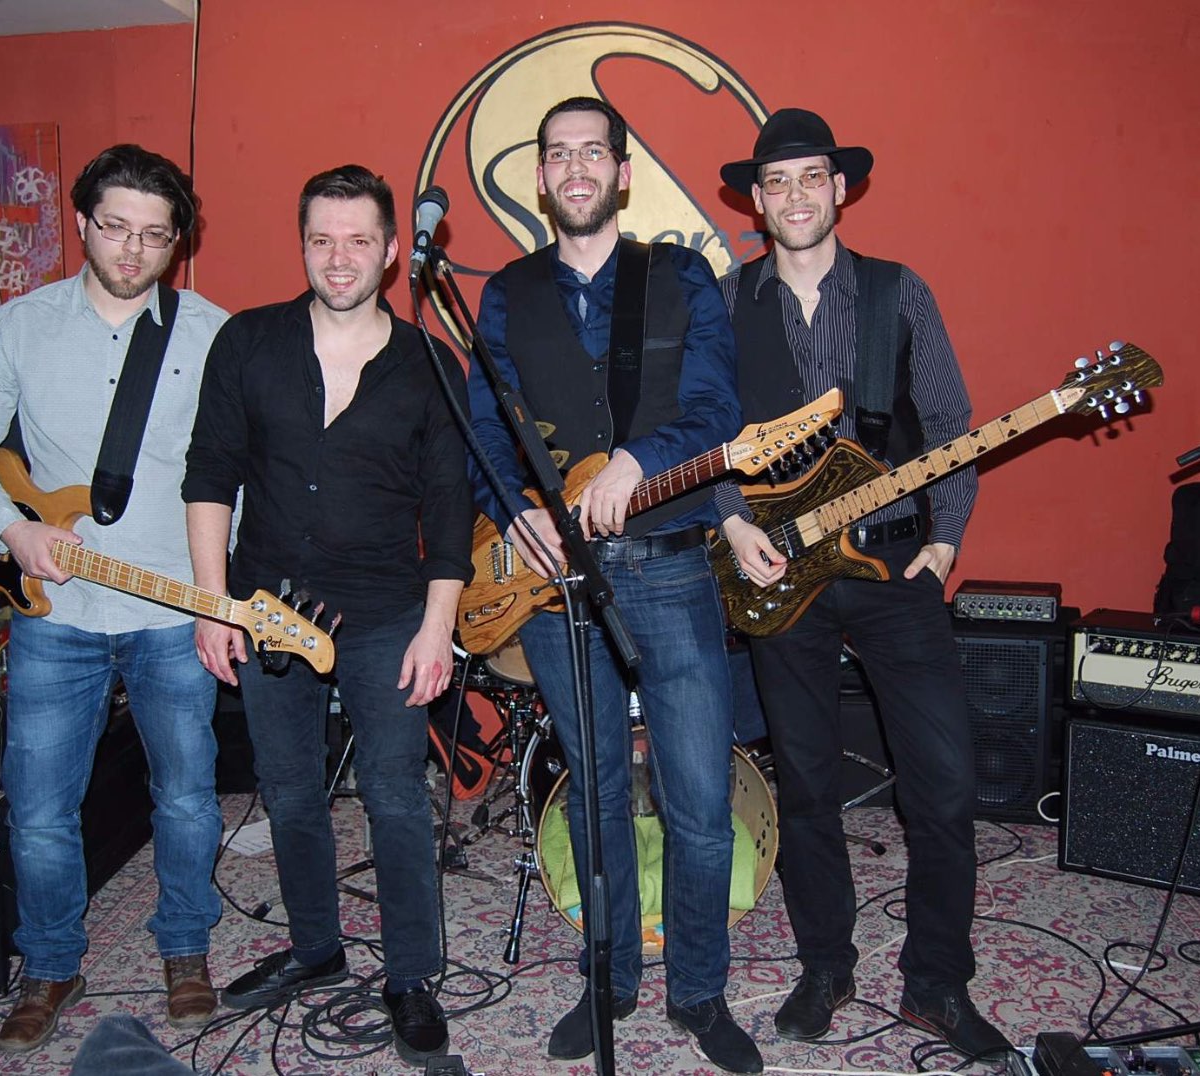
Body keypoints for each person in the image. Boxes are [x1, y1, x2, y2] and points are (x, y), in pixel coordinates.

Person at [467, 97, 762, 1074]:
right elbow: (484, 431)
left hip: (669, 565)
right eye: (558, 154)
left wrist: (637, 459)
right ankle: (609, 980)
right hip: (556, 585)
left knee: (696, 800)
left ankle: (698, 990)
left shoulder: (678, 275)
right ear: (541, 177)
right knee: (592, 797)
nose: (576, 168)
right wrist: (514, 510)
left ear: (622, 172)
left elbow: (717, 409)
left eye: (592, 151)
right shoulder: (505, 293)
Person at [714, 108, 1010, 1061]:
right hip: (779, 569)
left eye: (812, 177)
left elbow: (954, 425)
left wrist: (946, 542)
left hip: (893, 564)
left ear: (841, 188)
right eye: (776, 182)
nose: (795, 195)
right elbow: (701, 433)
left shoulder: (896, 290)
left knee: (945, 784)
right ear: (757, 202)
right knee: (805, 785)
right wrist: (730, 522)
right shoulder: (725, 301)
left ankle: (937, 982)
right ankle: (825, 965)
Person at [182, 165, 473, 1066]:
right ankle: (315, 949)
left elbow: (451, 509)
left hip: (387, 611)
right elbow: (209, 474)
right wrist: (213, 605)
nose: (338, 258)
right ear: (302, 244)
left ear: (391, 252)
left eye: (358, 241)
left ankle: (411, 977)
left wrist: (437, 627)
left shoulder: (432, 363)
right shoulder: (247, 342)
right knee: (290, 790)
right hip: (266, 606)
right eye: (321, 239)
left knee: (394, 795)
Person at [0, 144, 227, 1052]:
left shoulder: (211, 334)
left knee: (186, 797)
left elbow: (239, 472)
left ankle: (185, 948)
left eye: (155, 234)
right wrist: (14, 530)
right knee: (38, 806)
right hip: (55, 609)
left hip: (172, 608)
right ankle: (50, 963)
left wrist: (222, 591)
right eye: (115, 227)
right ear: (81, 222)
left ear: (178, 240)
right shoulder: (17, 328)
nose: (132, 249)